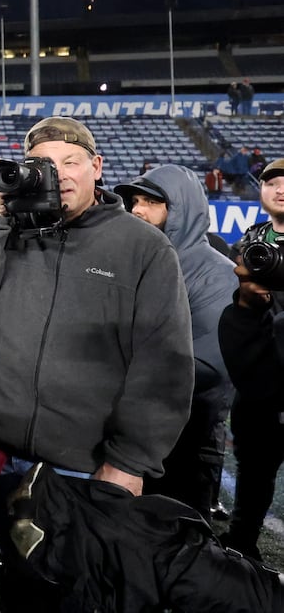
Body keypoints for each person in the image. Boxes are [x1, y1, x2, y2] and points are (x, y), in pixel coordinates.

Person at [0, 115, 193, 612]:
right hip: (0, 451)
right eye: (43, 164)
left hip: (82, 462)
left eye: (70, 161)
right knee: (16, 573)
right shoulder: (12, 231)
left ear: (97, 166)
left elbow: (163, 363)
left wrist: (129, 461)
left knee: (79, 589)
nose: (58, 173)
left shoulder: (143, 247)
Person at [115, 166, 235, 515]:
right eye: (135, 201)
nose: (137, 209)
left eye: (152, 202)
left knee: (176, 540)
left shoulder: (218, 273)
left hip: (188, 439)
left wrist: (119, 372)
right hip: (130, 429)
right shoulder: (131, 263)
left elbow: (208, 364)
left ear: (181, 211)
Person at [217, 157, 284, 558]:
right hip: (261, 375)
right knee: (254, 467)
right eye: (271, 182)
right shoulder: (252, 239)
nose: (280, 189)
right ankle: (242, 541)